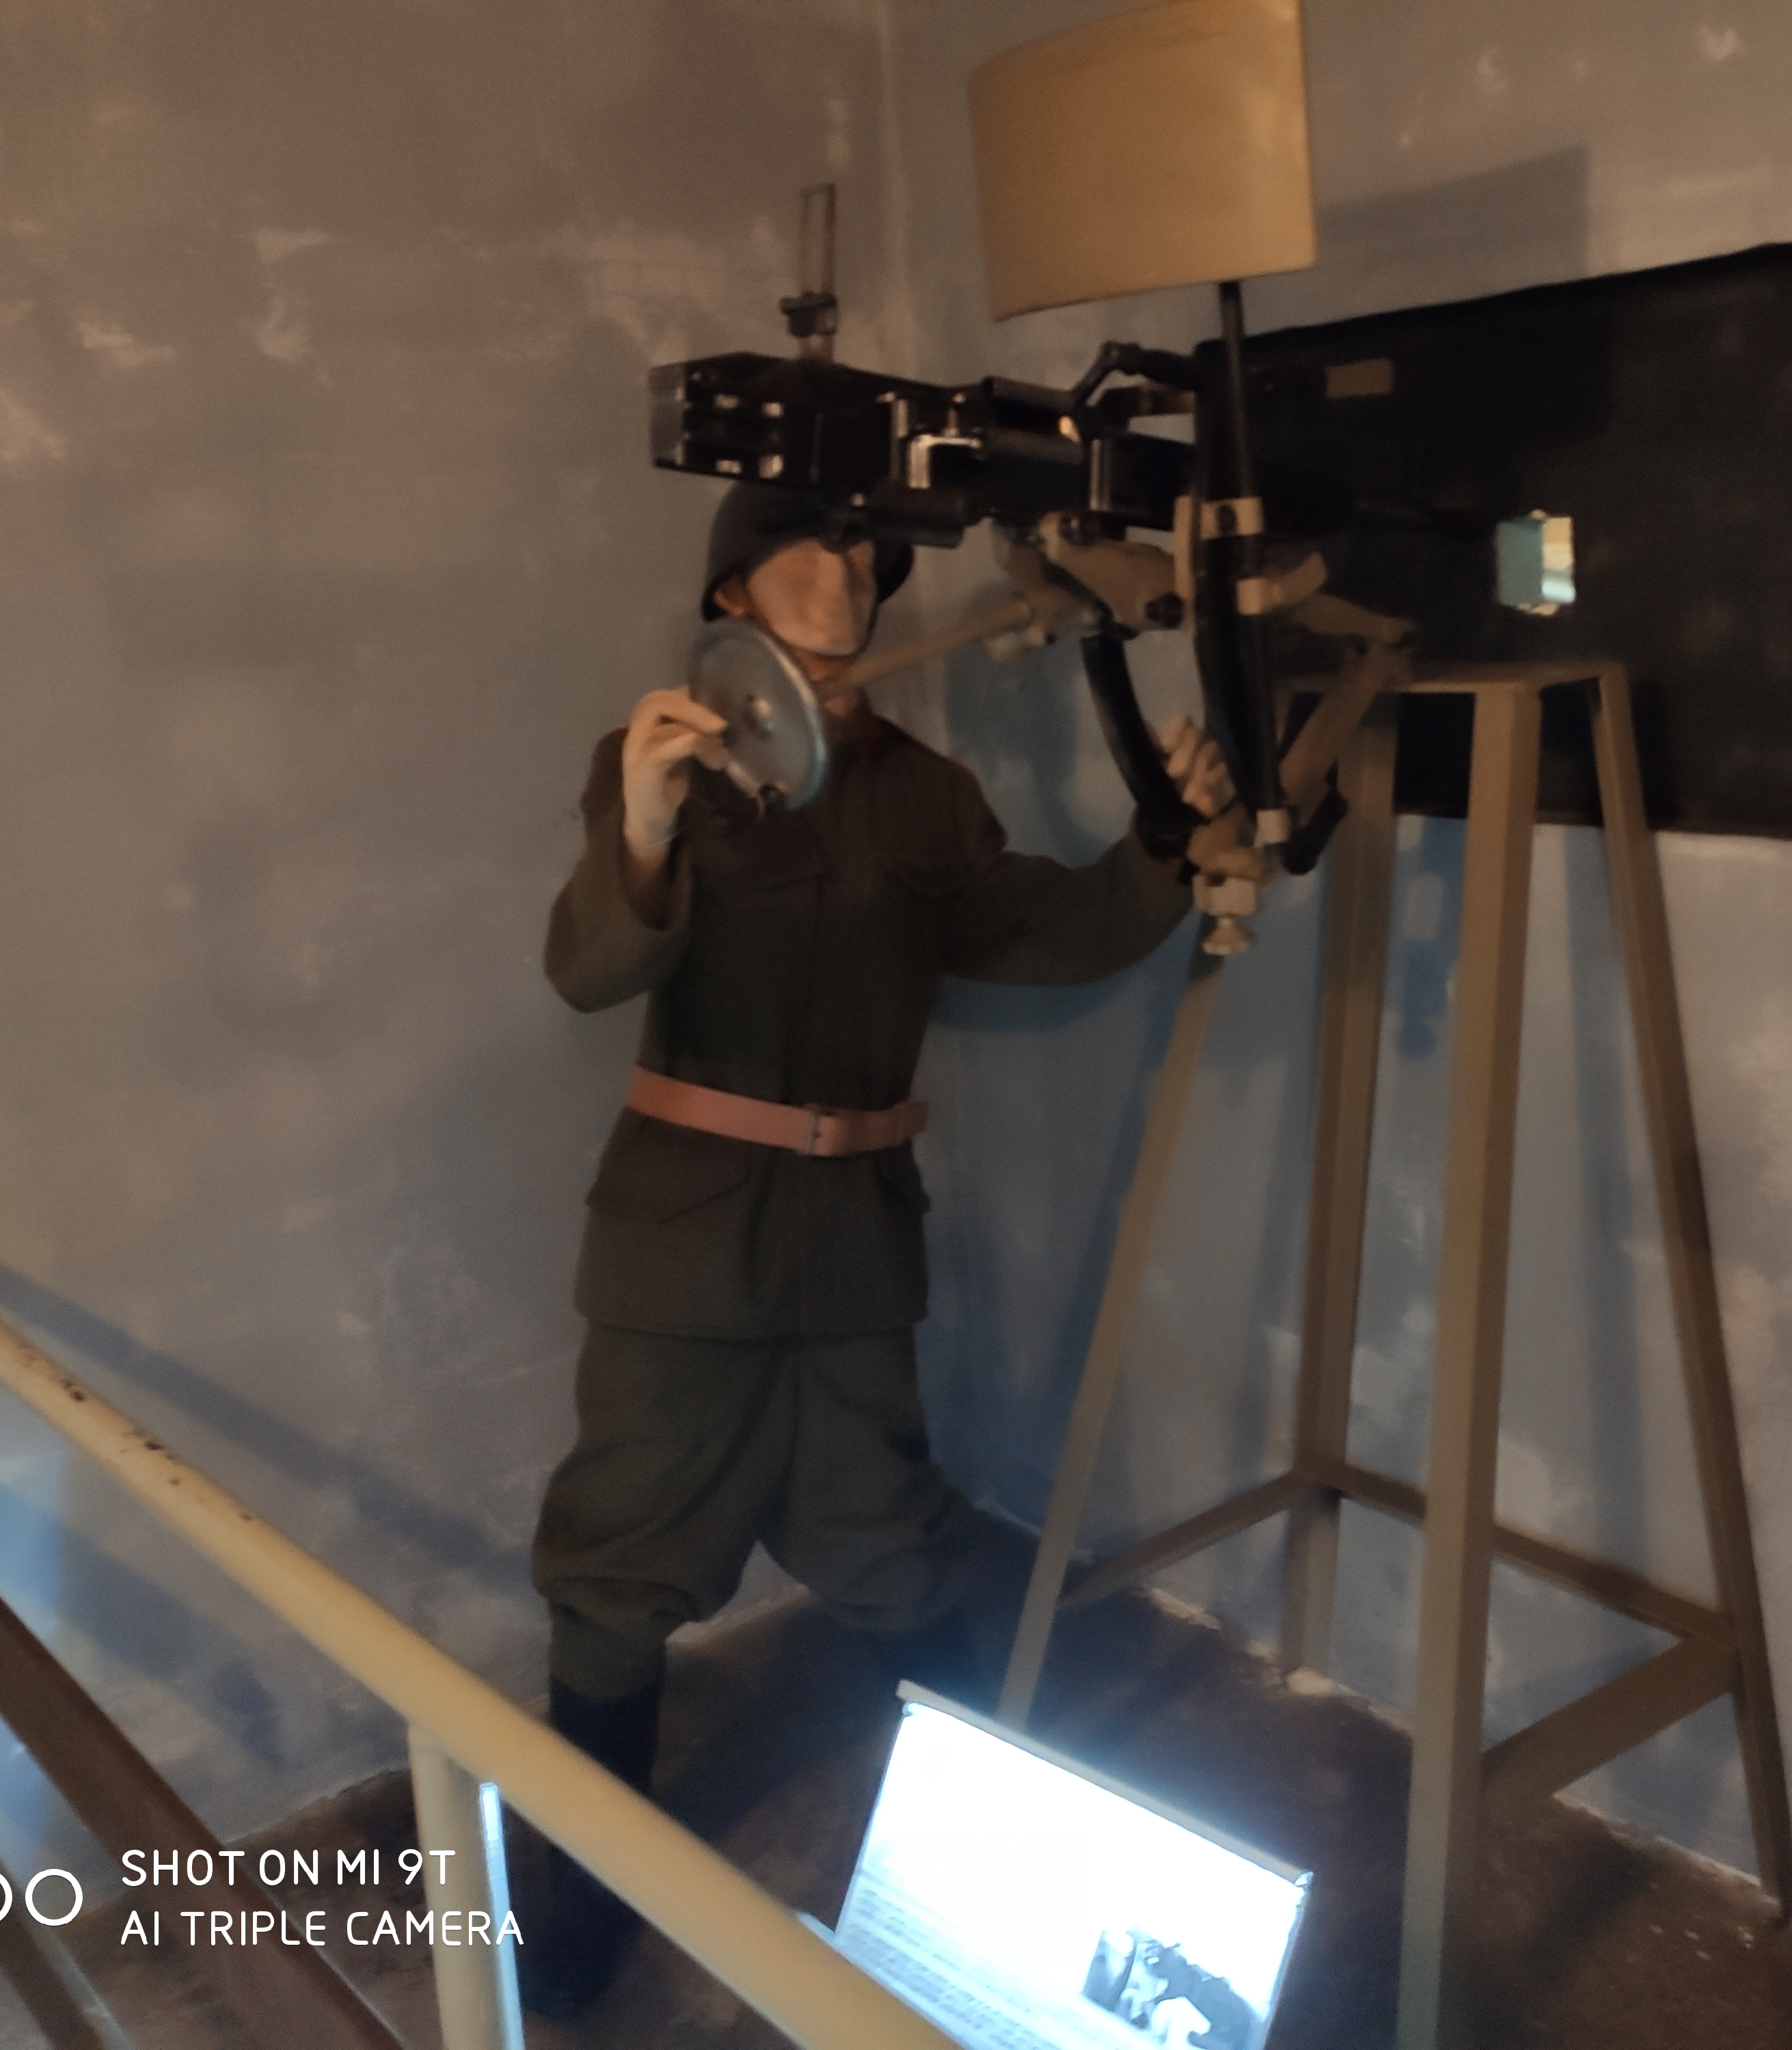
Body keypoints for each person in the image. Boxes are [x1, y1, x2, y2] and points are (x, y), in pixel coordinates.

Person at [520, 482, 1229, 2014]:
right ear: (731, 592)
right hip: (684, 1246)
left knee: (889, 1545)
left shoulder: (924, 793)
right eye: (810, 542)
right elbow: (587, 969)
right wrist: (642, 826)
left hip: (852, 1243)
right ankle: (572, 1919)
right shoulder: (666, 765)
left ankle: (1000, 1882)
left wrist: (1164, 844)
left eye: (866, 550)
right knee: (617, 1564)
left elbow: (1045, 934)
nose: (848, 572)